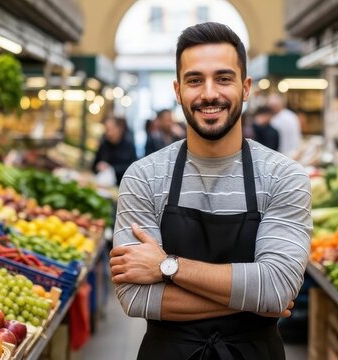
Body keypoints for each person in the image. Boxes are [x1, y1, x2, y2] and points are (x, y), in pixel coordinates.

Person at [109, 22, 312, 360]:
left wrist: (166, 267)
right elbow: (135, 297)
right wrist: (255, 301)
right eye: (194, 80)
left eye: (223, 78)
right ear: (178, 91)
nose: (208, 93)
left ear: (245, 88)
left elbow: (276, 288)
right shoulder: (144, 177)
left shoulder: (283, 176)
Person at [92, 116, 137, 186]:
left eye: (110, 129)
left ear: (120, 129)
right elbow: (94, 164)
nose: (108, 133)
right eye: (106, 130)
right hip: (101, 185)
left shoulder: (129, 146)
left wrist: (111, 168)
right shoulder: (104, 144)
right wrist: (98, 166)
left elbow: (132, 169)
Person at [267, 94, 302, 158]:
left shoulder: (277, 119)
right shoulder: (291, 115)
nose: (271, 108)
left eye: (273, 105)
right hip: (292, 153)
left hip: (284, 155)